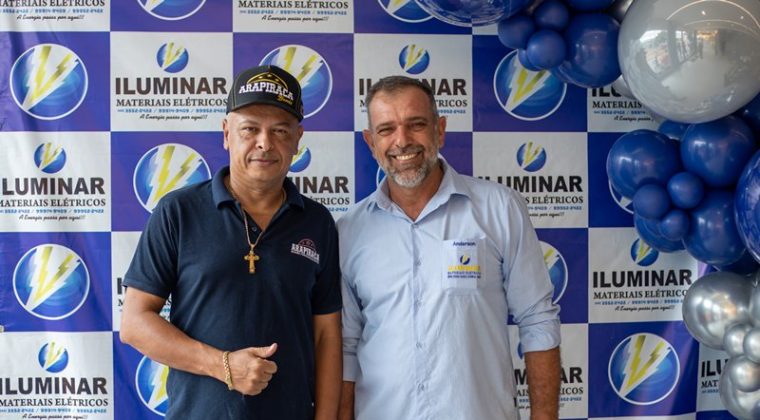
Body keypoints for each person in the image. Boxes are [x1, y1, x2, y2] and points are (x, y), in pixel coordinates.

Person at [120, 65, 342, 420]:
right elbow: (134, 323)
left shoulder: (318, 222)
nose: (264, 143)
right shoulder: (178, 211)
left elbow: (326, 335)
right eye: (250, 129)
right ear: (227, 133)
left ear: (298, 138)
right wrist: (223, 365)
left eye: (280, 130)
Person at [338, 76, 561, 420]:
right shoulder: (349, 230)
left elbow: (537, 319)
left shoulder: (499, 208)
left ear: (439, 130)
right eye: (386, 129)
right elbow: (346, 348)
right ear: (371, 142)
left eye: (416, 125)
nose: (402, 141)